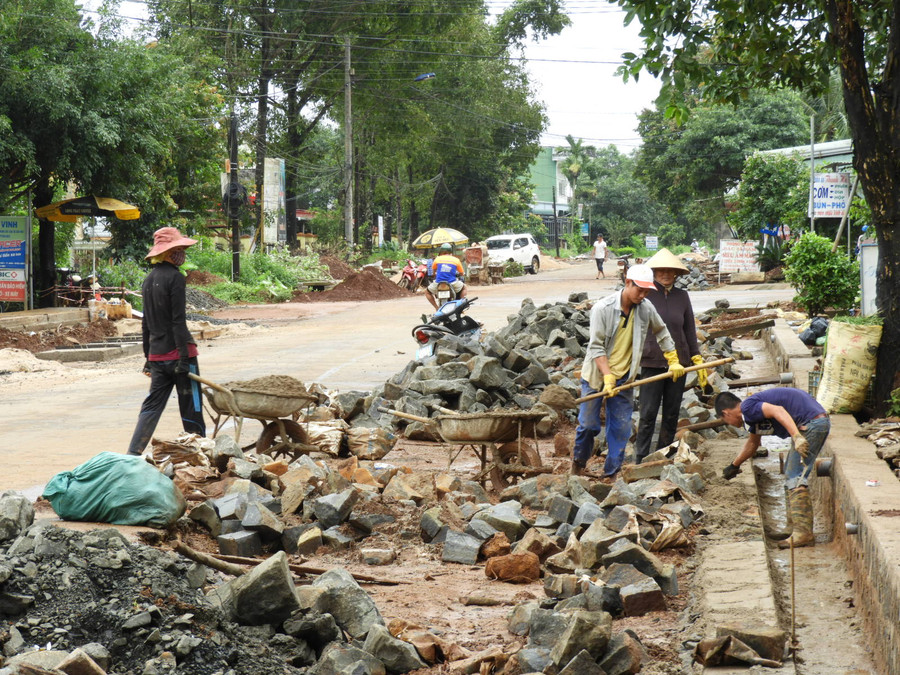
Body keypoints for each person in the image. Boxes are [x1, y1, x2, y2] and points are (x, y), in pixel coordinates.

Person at [573, 264, 685, 477]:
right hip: (597, 376)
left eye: (646, 292)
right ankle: (578, 463)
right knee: (588, 425)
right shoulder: (602, 308)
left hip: (624, 378)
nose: (642, 296)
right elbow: (596, 347)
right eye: (639, 290)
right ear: (627, 283)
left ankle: (611, 473)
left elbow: (661, 331)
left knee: (621, 429)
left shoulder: (646, 308)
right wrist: (607, 376)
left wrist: (673, 359)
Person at [715, 388, 830, 548]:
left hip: (811, 424)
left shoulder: (747, 407)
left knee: (795, 475)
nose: (730, 425)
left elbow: (778, 411)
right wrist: (734, 465)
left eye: (726, 421)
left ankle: (803, 533)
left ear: (726, 413)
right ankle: (793, 528)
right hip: (811, 422)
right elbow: (753, 443)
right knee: (791, 472)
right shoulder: (751, 417)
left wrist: (796, 437)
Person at [127, 227, 206, 456]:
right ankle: (201, 454)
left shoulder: (148, 280)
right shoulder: (176, 278)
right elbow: (178, 321)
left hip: (157, 356)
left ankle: (133, 453)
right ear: (169, 253)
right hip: (180, 354)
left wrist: (148, 358)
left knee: (151, 407)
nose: (182, 253)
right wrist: (183, 357)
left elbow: (145, 323)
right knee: (192, 406)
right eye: (179, 249)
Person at [634, 249, 708, 462]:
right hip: (652, 362)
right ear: (654, 272)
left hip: (679, 364)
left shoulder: (682, 296)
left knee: (671, 413)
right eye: (661, 271)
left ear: (676, 274)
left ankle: (663, 455)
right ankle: (640, 458)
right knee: (648, 413)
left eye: (670, 271)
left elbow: (689, 330)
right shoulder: (646, 295)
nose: (665, 274)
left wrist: (696, 357)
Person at [425, 243, 466, 310]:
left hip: (438, 283)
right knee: (464, 287)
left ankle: (436, 308)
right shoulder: (456, 260)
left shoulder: (437, 259)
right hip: (452, 283)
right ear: (450, 251)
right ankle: (460, 306)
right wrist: (461, 274)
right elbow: (461, 273)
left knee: (427, 292)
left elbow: (433, 272)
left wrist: (435, 274)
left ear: (441, 251)